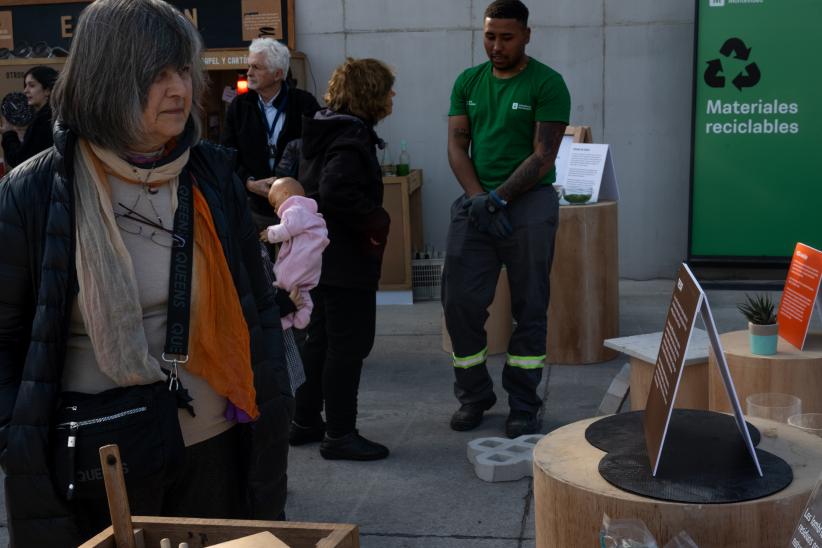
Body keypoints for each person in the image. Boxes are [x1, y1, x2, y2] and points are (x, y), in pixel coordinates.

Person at [0, 1, 293, 545]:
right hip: (98, 463)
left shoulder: (211, 173)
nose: (180, 90)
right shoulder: (33, 192)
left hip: (216, 450)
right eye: (156, 75)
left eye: (183, 69)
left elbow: (255, 309)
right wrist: (16, 444)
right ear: (109, 79)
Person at [442, 0, 570, 439]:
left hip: (529, 203)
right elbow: (457, 146)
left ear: (527, 36)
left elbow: (543, 155)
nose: (496, 45)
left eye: (506, 37)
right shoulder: (468, 81)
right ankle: (474, 395)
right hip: (477, 203)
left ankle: (524, 404)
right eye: (489, 35)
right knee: (459, 302)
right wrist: (479, 198)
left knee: (530, 306)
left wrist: (498, 198)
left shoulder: (548, 84)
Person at [292, 58, 394, 461]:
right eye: (387, 89)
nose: (392, 96)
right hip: (345, 261)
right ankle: (339, 433)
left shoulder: (325, 129)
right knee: (348, 346)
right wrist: (376, 220)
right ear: (370, 94)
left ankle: (305, 421)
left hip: (320, 259)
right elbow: (336, 192)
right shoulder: (351, 138)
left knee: (320, 342)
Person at [222, 37, 320, 233]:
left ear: (278, 74)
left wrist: (292, 185)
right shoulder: (238, 107)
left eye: (257, 67)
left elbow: (316, 152)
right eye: (249, 66)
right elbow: (226, 154)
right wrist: (249, 183)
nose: (249, 73)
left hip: (297, 207)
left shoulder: (305, 104)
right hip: (253, 208)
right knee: (258, 263)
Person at [261, 176, 329, 330]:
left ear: (285, 194)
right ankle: (303, 313)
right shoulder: (308, 212)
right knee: (301, 291)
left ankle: (286, 320)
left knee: (286, 285)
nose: (274, 208)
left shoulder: (295, 209)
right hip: (309, 264)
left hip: (299, 263)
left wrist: (270, 233)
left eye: (274, 202)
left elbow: (288, 228)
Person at [1, 65, 59, 169]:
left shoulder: (45, 120)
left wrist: (8, 133)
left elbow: (20, 162)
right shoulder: (53, 115)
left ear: (48, 90)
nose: (25, 91)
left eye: (31, 86)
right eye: (25, 86)